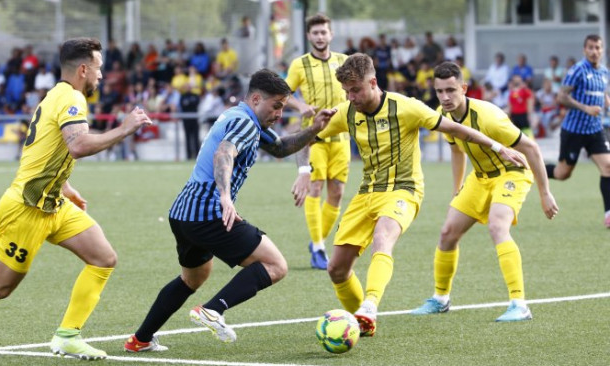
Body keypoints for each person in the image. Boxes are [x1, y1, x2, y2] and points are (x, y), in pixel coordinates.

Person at [0, 37, 153, 360]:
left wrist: (65, 186)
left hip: (53, 203)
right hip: (25, 210)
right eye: (98, 68)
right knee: (0, 287)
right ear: (83, 69)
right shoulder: (71, 99)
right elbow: (78, 146)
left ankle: (68, 335)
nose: (101, 75)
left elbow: (44, 149)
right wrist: (125, 128)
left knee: (103, 258)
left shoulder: (55, 95)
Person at [123, 69, 337, 352]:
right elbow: (224, 151)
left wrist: (314, 129)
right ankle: (213, 310)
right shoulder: (245, 124)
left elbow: (281, 147)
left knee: (193, 278)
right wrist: (225, 196)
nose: (279, 113)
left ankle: (140, 339)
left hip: (184, 213)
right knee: (276, 265)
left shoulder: (242, 117)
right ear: (257, 98)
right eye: (276, 106)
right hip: (209, 211)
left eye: (283, 107)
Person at [316, 53, 527, 337]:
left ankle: (370, 305)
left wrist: (498, 147)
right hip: (367, 193)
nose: (350, 97)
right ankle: (361, 324)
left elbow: (454, 128)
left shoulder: (406, 107)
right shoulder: (346, 112)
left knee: (383, 239)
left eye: (355, 90)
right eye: (347, 91)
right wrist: (304, 166)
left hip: (404, 189)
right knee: (337, 269)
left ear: (373, 82)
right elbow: (310, 135)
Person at [410, 61, 558, 322]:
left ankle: (519, 304)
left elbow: (532, 148)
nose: (445, 97)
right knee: (447, 234)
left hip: (511, 174)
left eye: (451, 90)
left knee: (497, 227)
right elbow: (456, 150)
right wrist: (457, 190)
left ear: (464, 88)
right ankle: (441, 299)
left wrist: (545, 193)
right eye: (440, 91)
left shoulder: (488, 117)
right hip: (479, 178)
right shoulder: (442, 115)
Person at [286, 13, 349, 270]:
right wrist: (299, 104)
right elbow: (282, 92)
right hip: (313, 138)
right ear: (308, 36)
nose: (320, 36)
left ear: (331, 34)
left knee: (337, 193)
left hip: (342, 137)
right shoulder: (299, 64)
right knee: (315, 188)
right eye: (315, 33)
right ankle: (320, 248)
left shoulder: (344, 62)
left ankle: (316, 242)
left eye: (324, 32)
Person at [545, 34, 610, 228]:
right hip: (574, 130)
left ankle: (608, 214)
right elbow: (561, 97)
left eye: (597, 47)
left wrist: (606, 102)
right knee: (562, 173)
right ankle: (533, 166)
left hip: (595, 130)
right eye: (590, 47)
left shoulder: (604, 72)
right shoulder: (578, 70)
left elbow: (603, 94)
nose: (594, 51)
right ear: (584, 50)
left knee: (608, 167)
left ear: (602, 50)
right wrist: (585, 108)